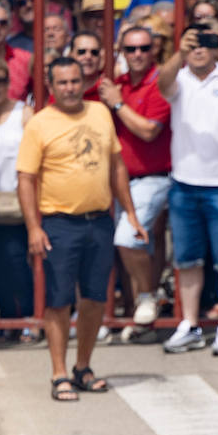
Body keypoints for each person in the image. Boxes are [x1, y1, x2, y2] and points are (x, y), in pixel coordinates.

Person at [17, 57, 147, 401]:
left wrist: (131, 213)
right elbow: (26, 179)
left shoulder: (100, 113)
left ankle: (83, 367)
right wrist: (34, 227)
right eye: (62, 83)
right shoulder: (40, 124)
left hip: (98, 221)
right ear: (51, 86)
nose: (70, 88)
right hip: (59, 223)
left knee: (94, 299)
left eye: (75, 81)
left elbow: (117, 165)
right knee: (59, 300)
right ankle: (58, 373)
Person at [160, 22, 218, 356]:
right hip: (185, 182)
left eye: (205, 43)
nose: (199, 49)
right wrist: (179, 52)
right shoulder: (180, 77)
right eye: (193, 43)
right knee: (187, 259)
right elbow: (162, 83)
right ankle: (190, 324)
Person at [95, 24, 173, 337]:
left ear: (154, 49)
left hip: (153, 177)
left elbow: (148, 130)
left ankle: (146, 298)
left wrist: (116, 104)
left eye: (143, 48)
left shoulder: (160, 84)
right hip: (116, 179)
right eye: (131, 49)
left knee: (128, 238)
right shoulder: (119, 83)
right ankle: (131, 315)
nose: (137, 55)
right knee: (138, 246)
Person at [0, 57, 36, 333]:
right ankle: (7, 321)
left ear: (9, 82)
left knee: (18, 260)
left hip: (20, 197)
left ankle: (27, 319)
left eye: (0, 80)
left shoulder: (24, 113)